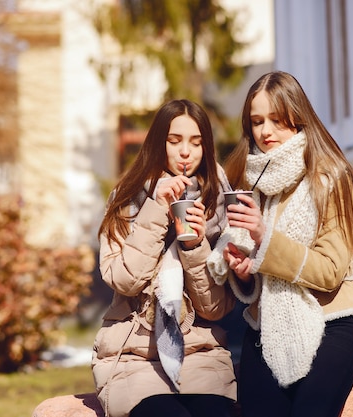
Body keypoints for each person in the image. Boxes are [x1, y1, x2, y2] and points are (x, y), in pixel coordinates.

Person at [207, 71, 353, 417]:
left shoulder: (329, 177)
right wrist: (246, 270)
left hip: (330, 324)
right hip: (263, 329)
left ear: (297, 117)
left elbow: (329, 271)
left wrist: (265, 238)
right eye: (256, 121)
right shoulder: (250, 180)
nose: (265, 132)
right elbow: (260, 270)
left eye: (276, 120)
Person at [92, 99, 237, 417]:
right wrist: (157, 209)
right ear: (158, 144)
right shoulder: (126, 200)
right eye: (175, 141)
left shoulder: (217, 204)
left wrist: (195, 245)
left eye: (196, 143)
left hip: (200, 352)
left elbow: (215, 309)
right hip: (134, 354)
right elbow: (124, 281)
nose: (186, 152)